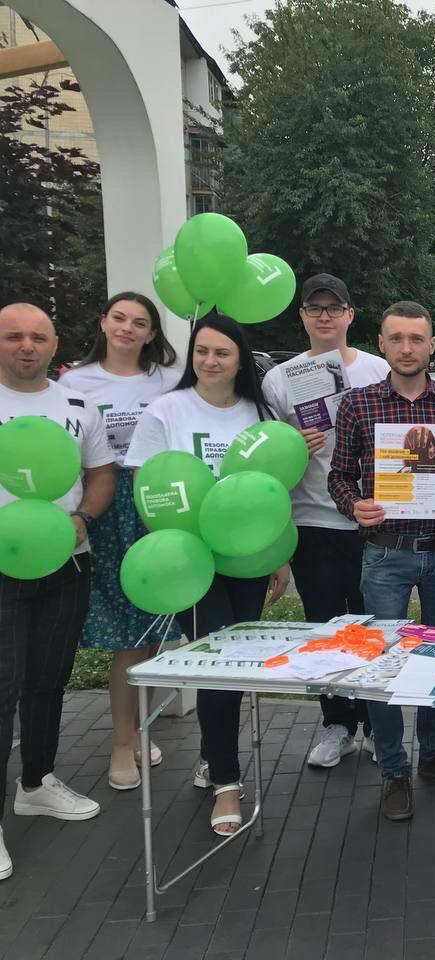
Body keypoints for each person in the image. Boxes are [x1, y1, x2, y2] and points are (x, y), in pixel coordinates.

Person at [124, 311, 291, 836]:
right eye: (201, 351)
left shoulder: (256, 412)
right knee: (221, 662)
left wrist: (277, 556)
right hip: (189, 559)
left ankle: (209, 754)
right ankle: (226, 781)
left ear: (240, 360)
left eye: (222, 352)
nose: (210, 360)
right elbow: (148, 490)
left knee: (233, 666)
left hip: (246, 559)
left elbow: (270, 491)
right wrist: (174, 549)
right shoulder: (166, 410)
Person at [328, 301, 435, 823]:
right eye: (397, 338)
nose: (408, 348)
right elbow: (338, 477)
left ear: (432, 345)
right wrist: (355, 504)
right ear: (383, 343)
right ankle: (394, 770)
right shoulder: (357, 406)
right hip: (386, 554)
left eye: (417, 338)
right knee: (385, 665)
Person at [0, 303, 115, 879]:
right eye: (13, 336)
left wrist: (85, 521)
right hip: (1, 566)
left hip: (67, 561)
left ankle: (36, 782)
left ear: (53, 343)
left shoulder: (77, 402)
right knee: (3, 685)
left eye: (37, 336)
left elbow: (101, 473)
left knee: (48, 679)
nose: (26, 346)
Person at [260, 274, 389, 768]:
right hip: (312, 519)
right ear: (302, 317)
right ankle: (337, 724)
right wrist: (294, 446)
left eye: (334, 308)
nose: (324, 316)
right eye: (315, 308)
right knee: (324, 630)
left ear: (350, 315)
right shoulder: (279, 379)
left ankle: (378, 725)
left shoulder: (378, 369)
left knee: (374, 627)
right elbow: (269, 460)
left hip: (371, 520)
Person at [60, 292, 183, 792]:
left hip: (159, 502)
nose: (128, 329)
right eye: (119, 319)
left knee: (153, 626)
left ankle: (141, 727)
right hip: (106, 503)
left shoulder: (168, 382)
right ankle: (120, 740)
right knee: (124, 635)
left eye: (140, 322)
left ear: (152, 333)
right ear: (103, 324)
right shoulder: (75, 381)